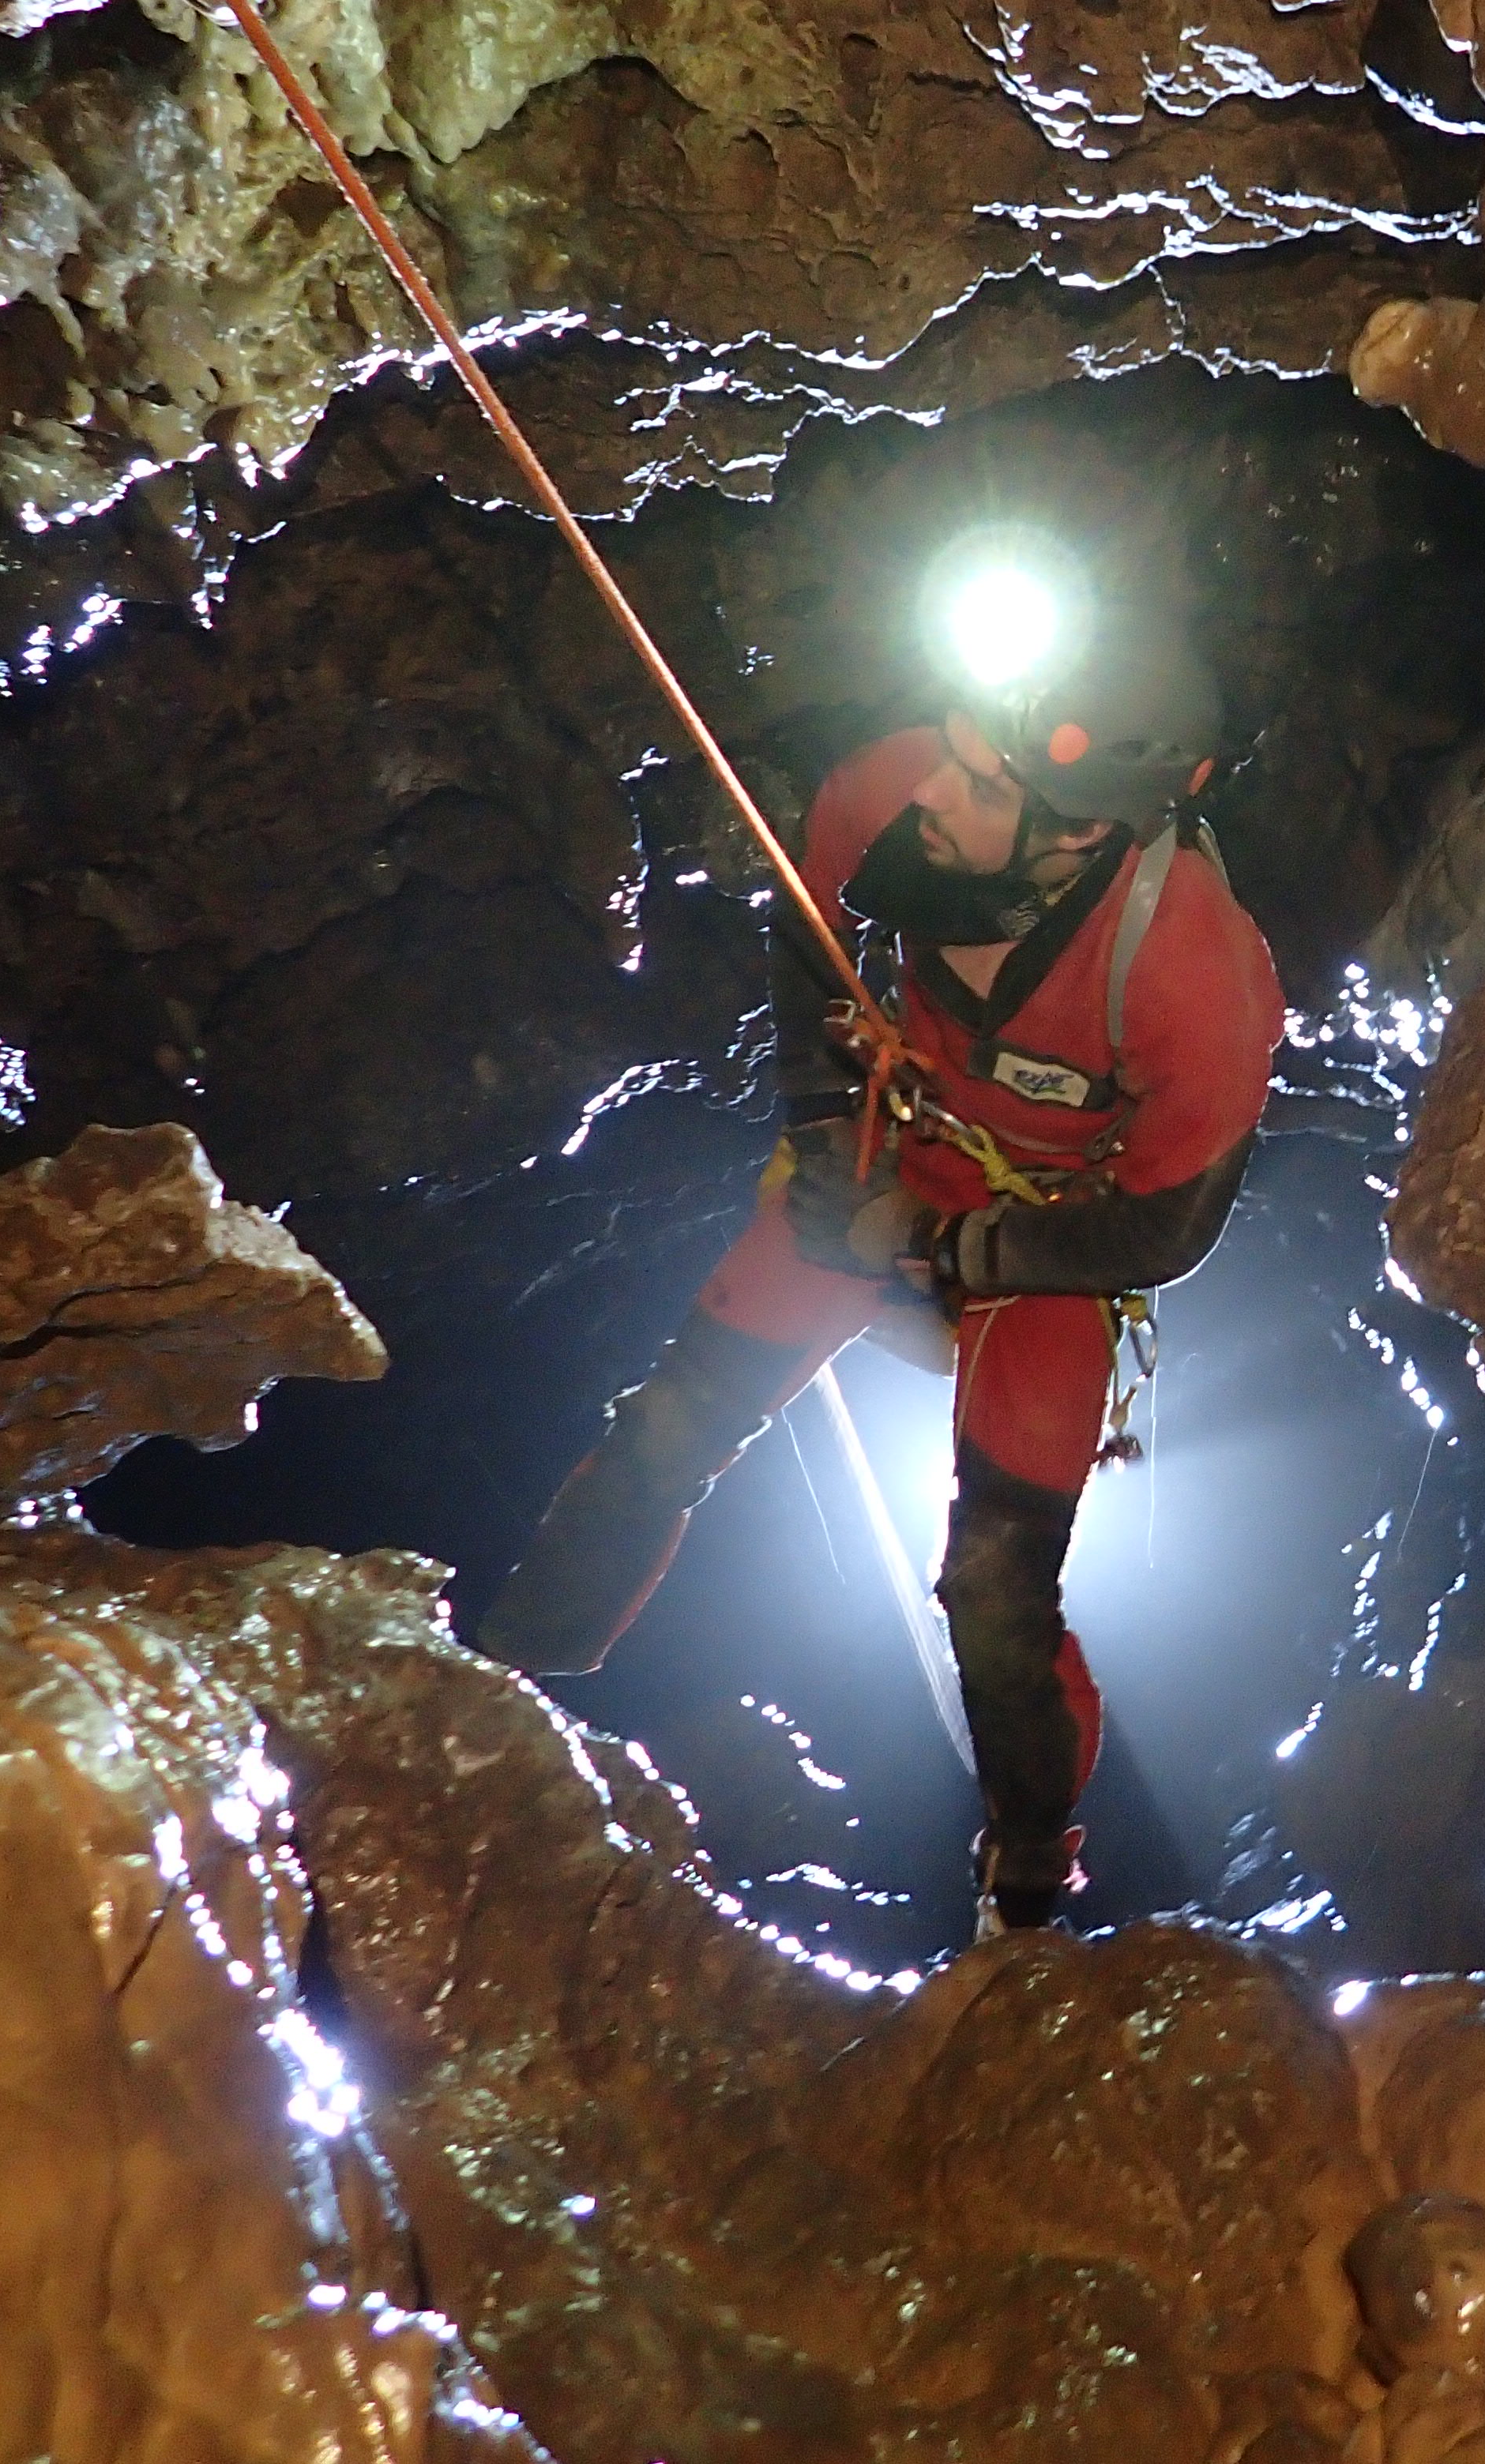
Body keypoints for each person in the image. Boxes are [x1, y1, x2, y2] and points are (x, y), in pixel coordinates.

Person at [467, 601, 1282, 1936]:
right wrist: (824, 1144)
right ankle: (505, 1693)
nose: (937, 785)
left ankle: (1027, 1885)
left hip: (1038, 1242)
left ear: (1081, 828)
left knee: (996, 1598)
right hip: (883, 1157)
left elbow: (1165, 1231)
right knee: (666, 1430)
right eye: (957, 751)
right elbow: (807, 937)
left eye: (979, 782)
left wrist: (959, 1247)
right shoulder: (894, 790)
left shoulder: (1195, 970)